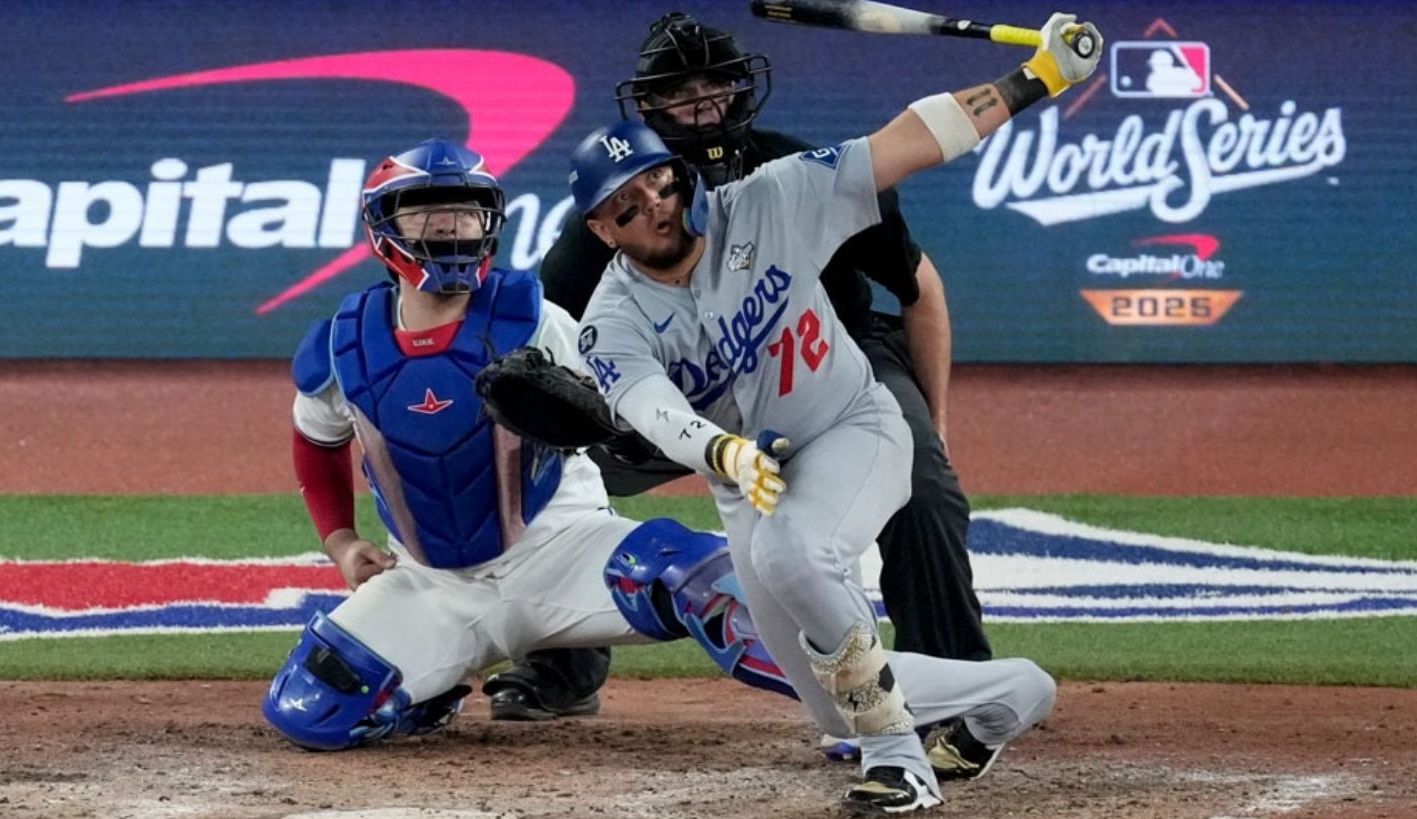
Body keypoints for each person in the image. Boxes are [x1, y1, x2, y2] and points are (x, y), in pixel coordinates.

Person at [568, 13, 1101, 813]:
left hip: (851, 427)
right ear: (601, 230)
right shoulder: (611, 318)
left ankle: (898, 762)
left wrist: (1039, 79)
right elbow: (650, 408)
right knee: (827, 698)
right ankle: (1013, 692)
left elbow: (909, 140)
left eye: (660, 184)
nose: (655, 205)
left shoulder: (774, 196)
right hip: (747, 481)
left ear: (680, 178)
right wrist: (723, 453)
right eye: (627, 204)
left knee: (793, 553)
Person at [487, 11, 993, 744]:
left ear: (742, 87)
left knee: (923, 484)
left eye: (715, 82)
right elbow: (554, 347)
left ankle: (956, 689)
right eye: (678, 89)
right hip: (689, 391)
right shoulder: (607, 223)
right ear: (649, 107)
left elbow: (920, 287)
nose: (700, 101)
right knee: (541, 464)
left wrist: (933, 431)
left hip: (829, 359)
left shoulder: (795, 170)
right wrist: (591, 423)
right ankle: (559, 665)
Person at [260, 138, 796, 752]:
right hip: (432, 585)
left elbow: (631, 411)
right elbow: (316, 441)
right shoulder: (345, 344)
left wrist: (607, 424)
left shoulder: (538, 320)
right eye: (427, 212)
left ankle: (862, 709)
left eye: (466, 211)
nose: (451, 225)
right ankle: (430, 688)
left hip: (564, 551)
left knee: (705, 581)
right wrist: (341, 541)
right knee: (310, 708)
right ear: (385, 229)